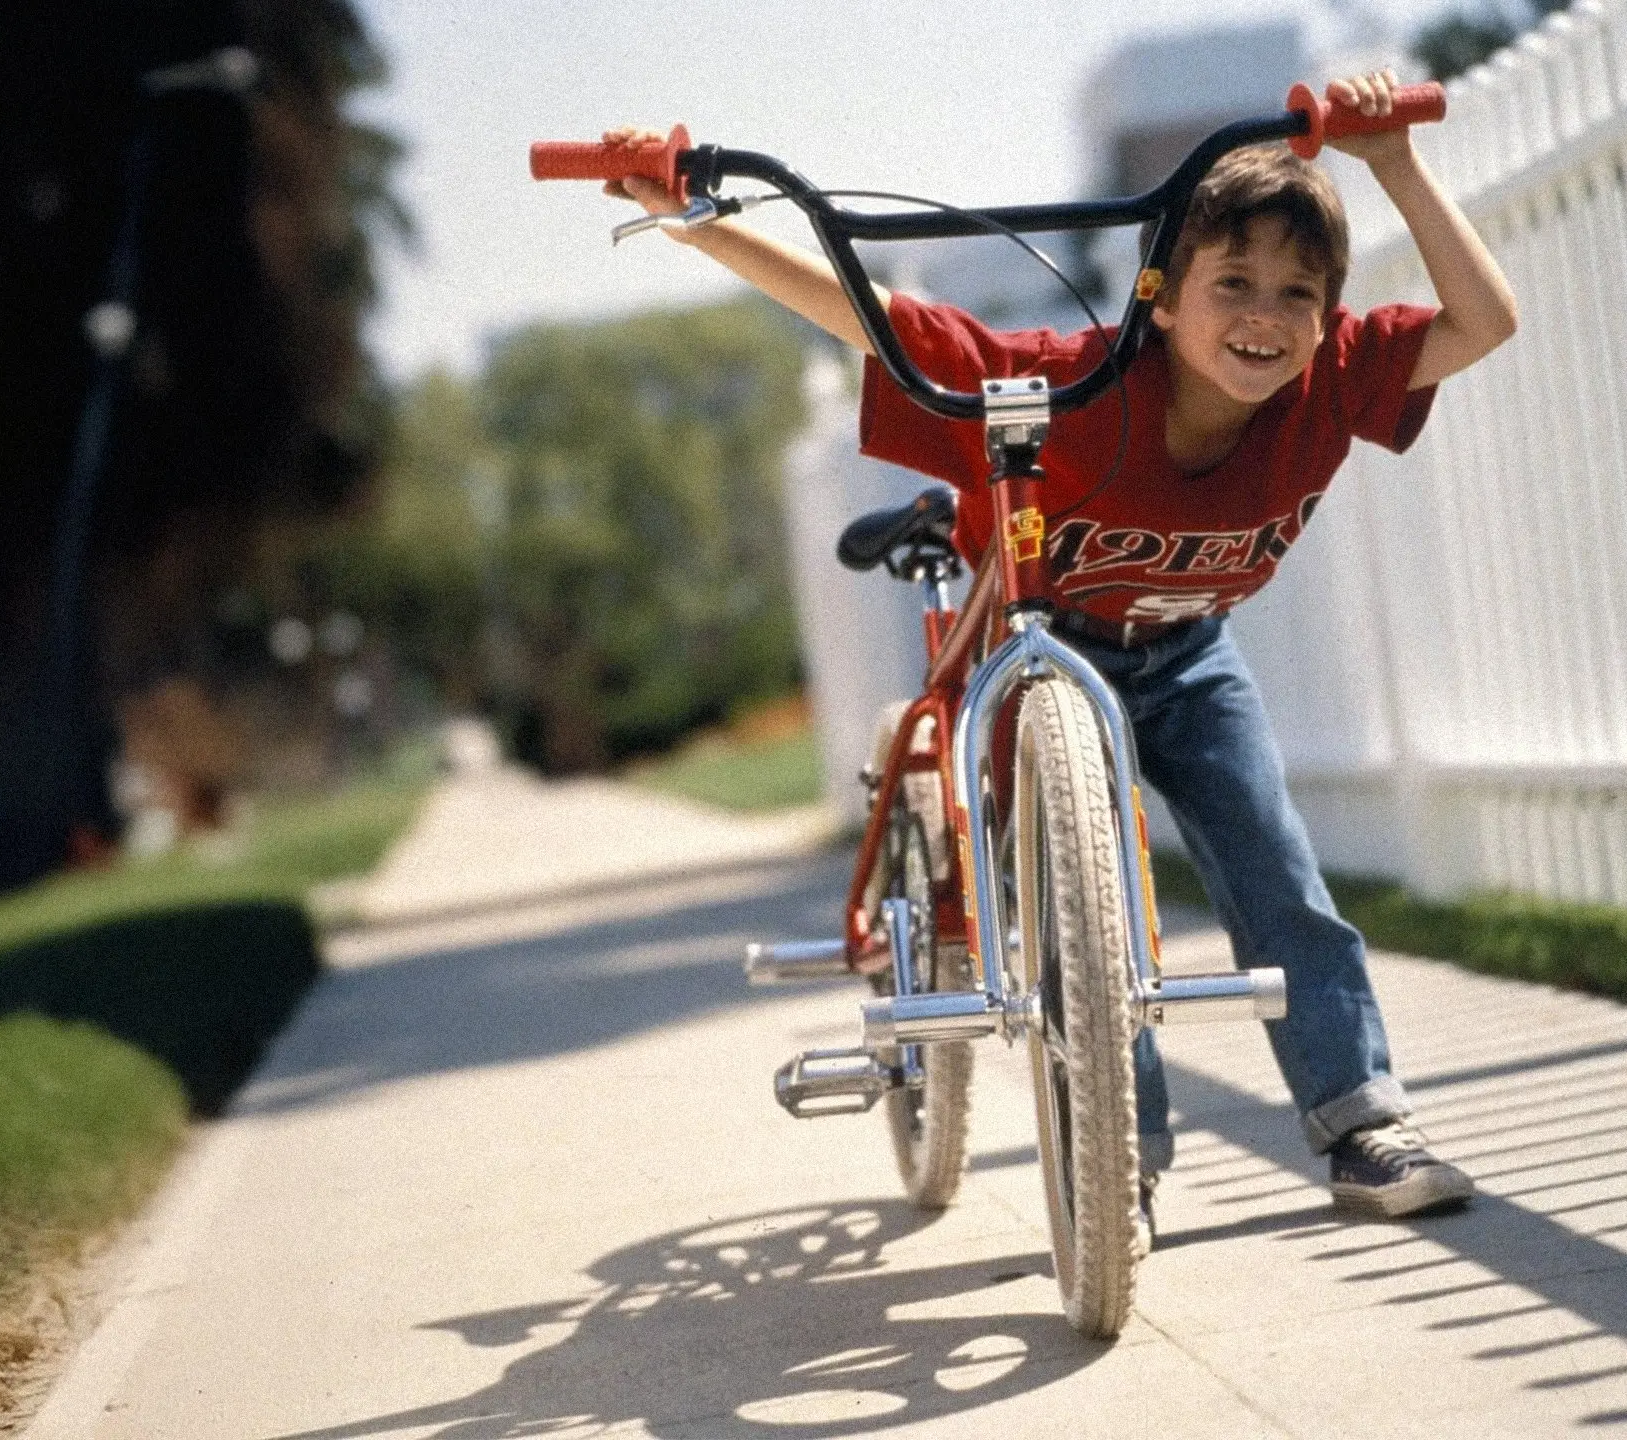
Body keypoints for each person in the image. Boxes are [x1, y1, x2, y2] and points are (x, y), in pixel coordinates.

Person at [606, 72, 1517, 1219]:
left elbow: (1483, 322)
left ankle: (1361, 1122)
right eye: (1230, 282)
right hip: (1042, 652)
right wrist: (700, 223)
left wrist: (1392, 165)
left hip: (1187, 654)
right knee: (1080, 915)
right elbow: (872, 314)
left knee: (1281, 878)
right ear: (1159, 297)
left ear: (1330, 312)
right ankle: (1116, 1159)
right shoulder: (1069, 384)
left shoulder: (1330, 385)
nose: (1264, 316)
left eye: (1298, 292)